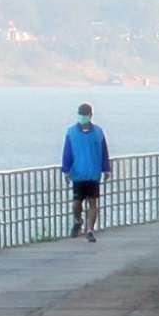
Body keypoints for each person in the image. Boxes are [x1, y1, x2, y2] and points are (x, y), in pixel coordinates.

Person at [61, 103, 111, 243]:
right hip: (78, 174)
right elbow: (67, 153)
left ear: (90, 116)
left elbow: (104, 152)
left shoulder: (98, 132)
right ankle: (78, 221)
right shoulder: (71, 132)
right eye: (80, 114)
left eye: (84, 115)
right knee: (76, 204)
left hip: (93, 174)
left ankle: (90, 230)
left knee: (93, 203)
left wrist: (106, 168)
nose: (82, 117)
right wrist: (66, 170)